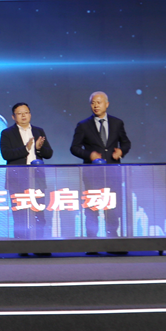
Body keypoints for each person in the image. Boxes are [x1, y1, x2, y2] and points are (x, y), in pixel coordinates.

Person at [70, 91, 131, 239]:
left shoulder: (117, 123)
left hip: (113, 172)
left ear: (107, 104)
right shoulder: (83, 125)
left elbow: (126, 143)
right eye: (93, 103)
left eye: (99, 102)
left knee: (112, 207)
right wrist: (89, 155)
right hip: (92, 175)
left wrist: (121, 151)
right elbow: (74, 148)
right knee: (92, 208)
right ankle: (92, 239)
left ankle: (113, 238)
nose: (96, 105)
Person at [0, 102, 54, 243]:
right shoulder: (7, 133)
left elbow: (49, 153)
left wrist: (38, 149)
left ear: (30, 114)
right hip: (17, 180)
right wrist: (26, 149)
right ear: (13, 117)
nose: (23, 116)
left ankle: (39, 244)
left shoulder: (38, 131)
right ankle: (21, 244)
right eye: (19, 113)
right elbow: (6, 154)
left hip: (37, 178)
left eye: (26, 112)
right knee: (19, 215)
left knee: (39, 213)